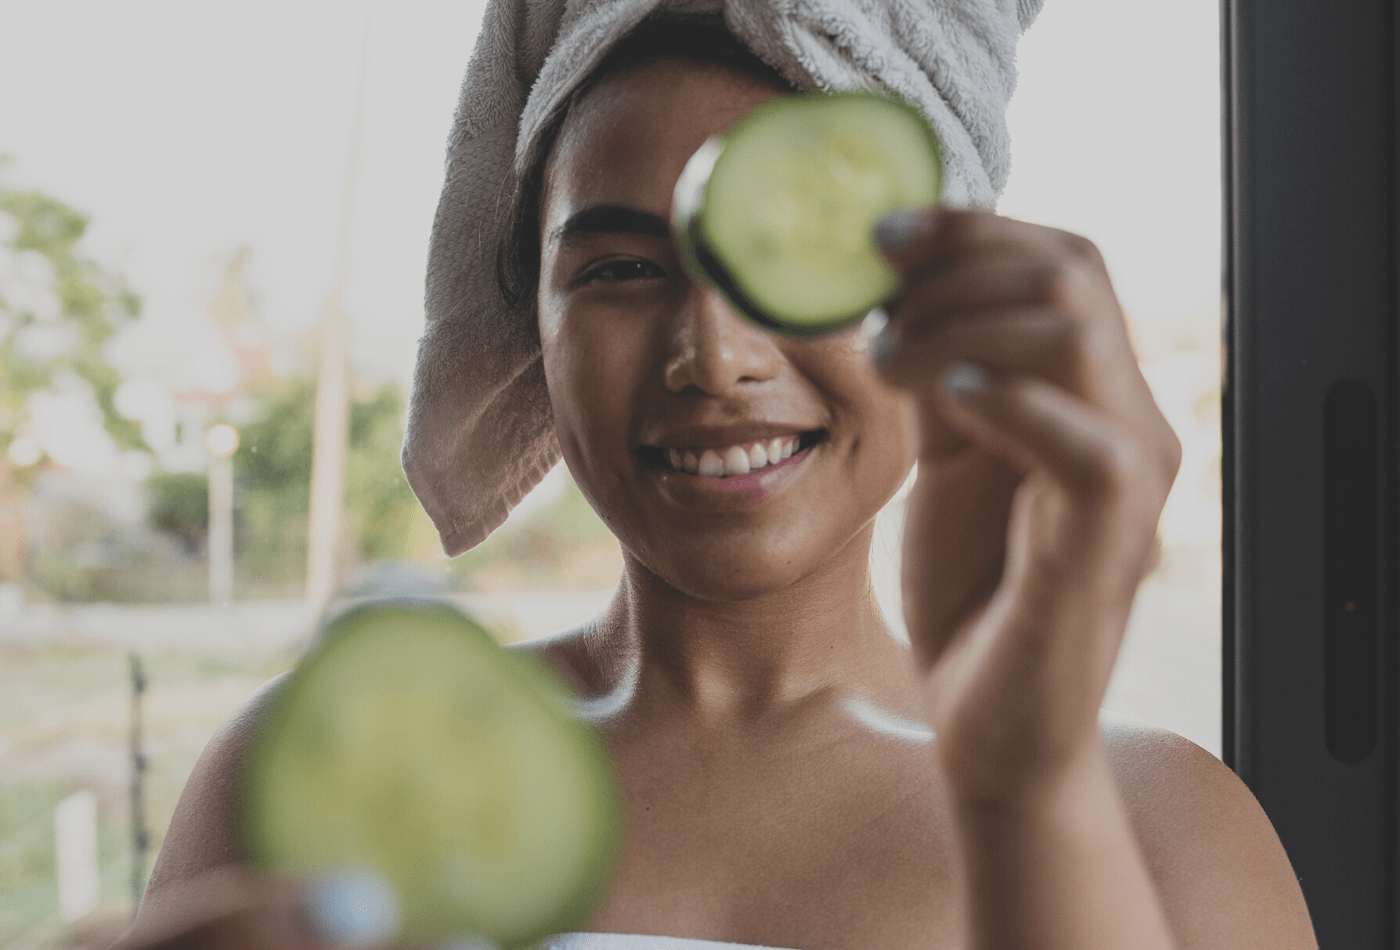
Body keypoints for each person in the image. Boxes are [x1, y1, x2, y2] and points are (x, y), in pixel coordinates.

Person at [116, 8, 1318, 950]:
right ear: (530, 330)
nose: (715, 354)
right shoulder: (321, 777)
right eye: (621, 268)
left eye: (804, 258)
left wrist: (1028, 788)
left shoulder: (1162, 825)